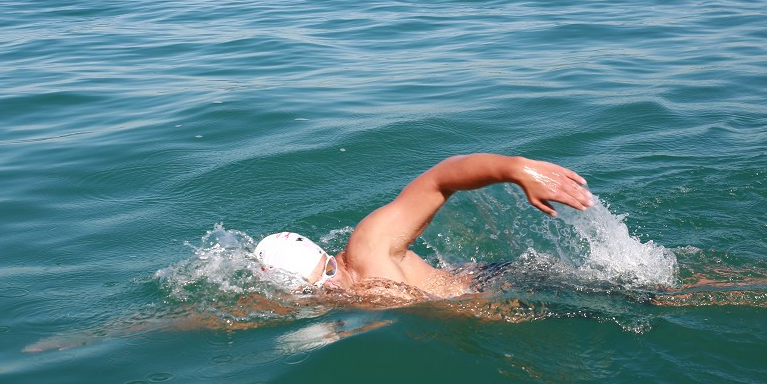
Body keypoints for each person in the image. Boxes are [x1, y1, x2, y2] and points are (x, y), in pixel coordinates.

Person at [254, 153, 593, 298]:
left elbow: (440, 179)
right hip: (492, 307)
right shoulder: (328, 296)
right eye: (316, 292)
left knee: (640, 296)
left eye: (328, 273)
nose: (330, 288)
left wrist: (516, 169)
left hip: (509, 283)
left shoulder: (369, 246)